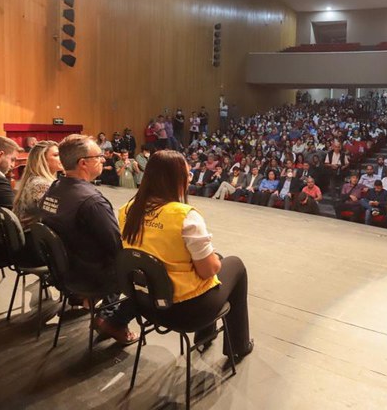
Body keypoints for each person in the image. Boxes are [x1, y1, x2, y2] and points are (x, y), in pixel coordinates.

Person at [119, 150, 253, 364]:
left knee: (214, 257)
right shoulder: (185, 216)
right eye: (188, 175)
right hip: (184, 310)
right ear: (176, 179)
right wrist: (215, 262)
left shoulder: (127, 210)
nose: (189, 179)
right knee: (234, 265)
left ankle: (205, 336)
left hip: (145, 303)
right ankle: (238, 346)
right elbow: (208, 271)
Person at [39, 134, 137, 345]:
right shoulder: (92, 201)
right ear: (83, 163)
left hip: (62, 270)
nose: (102, 160)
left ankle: (89, 302)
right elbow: (115, 247)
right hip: (89, 276)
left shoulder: (53, 189)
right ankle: (110, 319)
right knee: (135, 266)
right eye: (98, 156)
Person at [13, 140, 63, 229]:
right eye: (56, 155)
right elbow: (54, 217)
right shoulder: (42, 185)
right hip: (34, 238)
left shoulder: (33, 179)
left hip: (32, 234)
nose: (62, 158)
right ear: (43, 160)